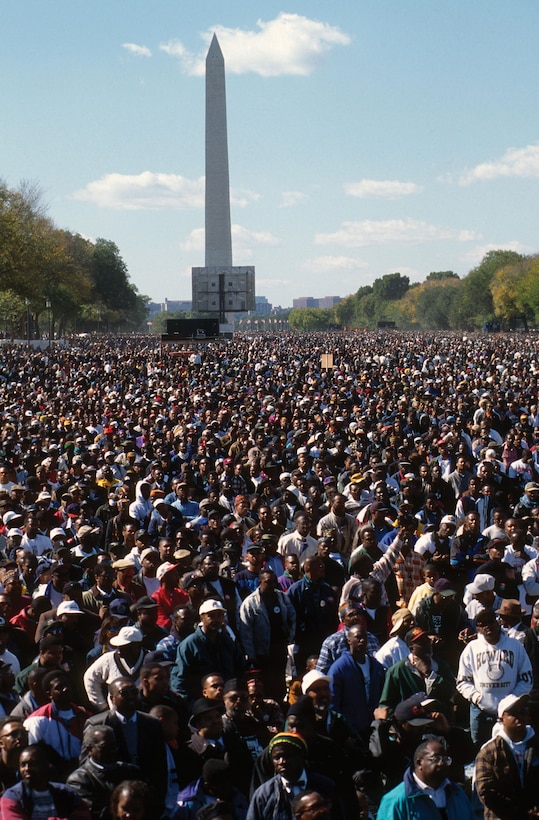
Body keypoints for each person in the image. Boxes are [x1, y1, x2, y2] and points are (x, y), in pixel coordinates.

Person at [83, 677, 167, 805]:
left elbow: (160, 764)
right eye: (124, 693)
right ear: (112, 698)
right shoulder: (97, 724)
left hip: (145, 796)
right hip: (111, 795)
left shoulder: (152, 724)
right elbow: (85, 763)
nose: (131, 697)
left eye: (134, 692)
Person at [456, 606, 533, 747]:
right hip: (481, 710)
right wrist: (476, 697)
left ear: (497, 622)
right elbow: (462, 681)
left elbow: (527, 678)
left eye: (490, 621)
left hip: (511, 711)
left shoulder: (515, 646)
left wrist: (512, 700)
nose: (487, 626)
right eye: (482, 624)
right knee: (478, 749)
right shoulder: (471, 649)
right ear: (478, 629)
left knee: (510, 749)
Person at [475, 693, 539, 820]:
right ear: (501, 719)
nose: (519, 716)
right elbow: (486, 793)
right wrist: (523, 816)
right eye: (513, 712)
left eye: (523, 711)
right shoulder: (488, 752)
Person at [376, 736, 474, 820]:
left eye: (445, 759)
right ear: (419, 763)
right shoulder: (396, 800)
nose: (442, 763)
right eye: (436, 759)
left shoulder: (457, 792)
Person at [247, 732, 338, 820]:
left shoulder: (325, 786)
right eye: (277, 758)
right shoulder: (263, 795)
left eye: (287, 756)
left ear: (300, 756)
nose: (281, 762)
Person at [239, 569, 296, 703]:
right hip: (262, 653)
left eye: (274, 582)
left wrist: (290, 638)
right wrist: (251, 655)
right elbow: (245, 632)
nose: (272, 585)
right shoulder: (250, 603)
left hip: (280, 648)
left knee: (280, 683)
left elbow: (292, 617)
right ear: (260, 582)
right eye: (268, 582)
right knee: (265, 685)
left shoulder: (282, 597)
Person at [172, 599, 245, 701]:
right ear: (202, 617)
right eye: (211, 616)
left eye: (219, 615)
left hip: (227, 699)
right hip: (201, 701)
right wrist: (188, 703)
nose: (216, 620)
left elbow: (240, 669)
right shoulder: (190, 644)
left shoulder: (228, 642)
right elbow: (179, 679)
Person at [66, 725, 141, 820]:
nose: (112, 751)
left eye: (114, 746)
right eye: (104, 747)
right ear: (90, 749)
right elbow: (92, 812)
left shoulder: (131, 771)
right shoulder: (79, 779)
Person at [0, 745, 91, 820]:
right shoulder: (12, 797)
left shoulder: (66, 792)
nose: (27, 769)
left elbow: (83, 816)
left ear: (46, 765)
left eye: (33, 764)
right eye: (23, 765)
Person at [328, 623, 385, 739]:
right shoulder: (339, 668)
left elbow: (383, 694)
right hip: (350, 731)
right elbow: (332, 703)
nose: (362, 640)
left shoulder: (376, 666)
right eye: (358, 637)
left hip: (373, 727)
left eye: (365, 637)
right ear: (349, 640)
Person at [84, 626, 147, 713]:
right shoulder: (108, 658)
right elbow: (90, 678)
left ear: (135, 646)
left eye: (123, 646)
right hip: (116, 717)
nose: (119, 650)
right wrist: (102, 706)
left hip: (145, 715)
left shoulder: (150, 660)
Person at [0, 718, 28, 794]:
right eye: (14, 734)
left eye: (24, 733)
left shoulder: (36, 767)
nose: (20, 737)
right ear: (1, 743)